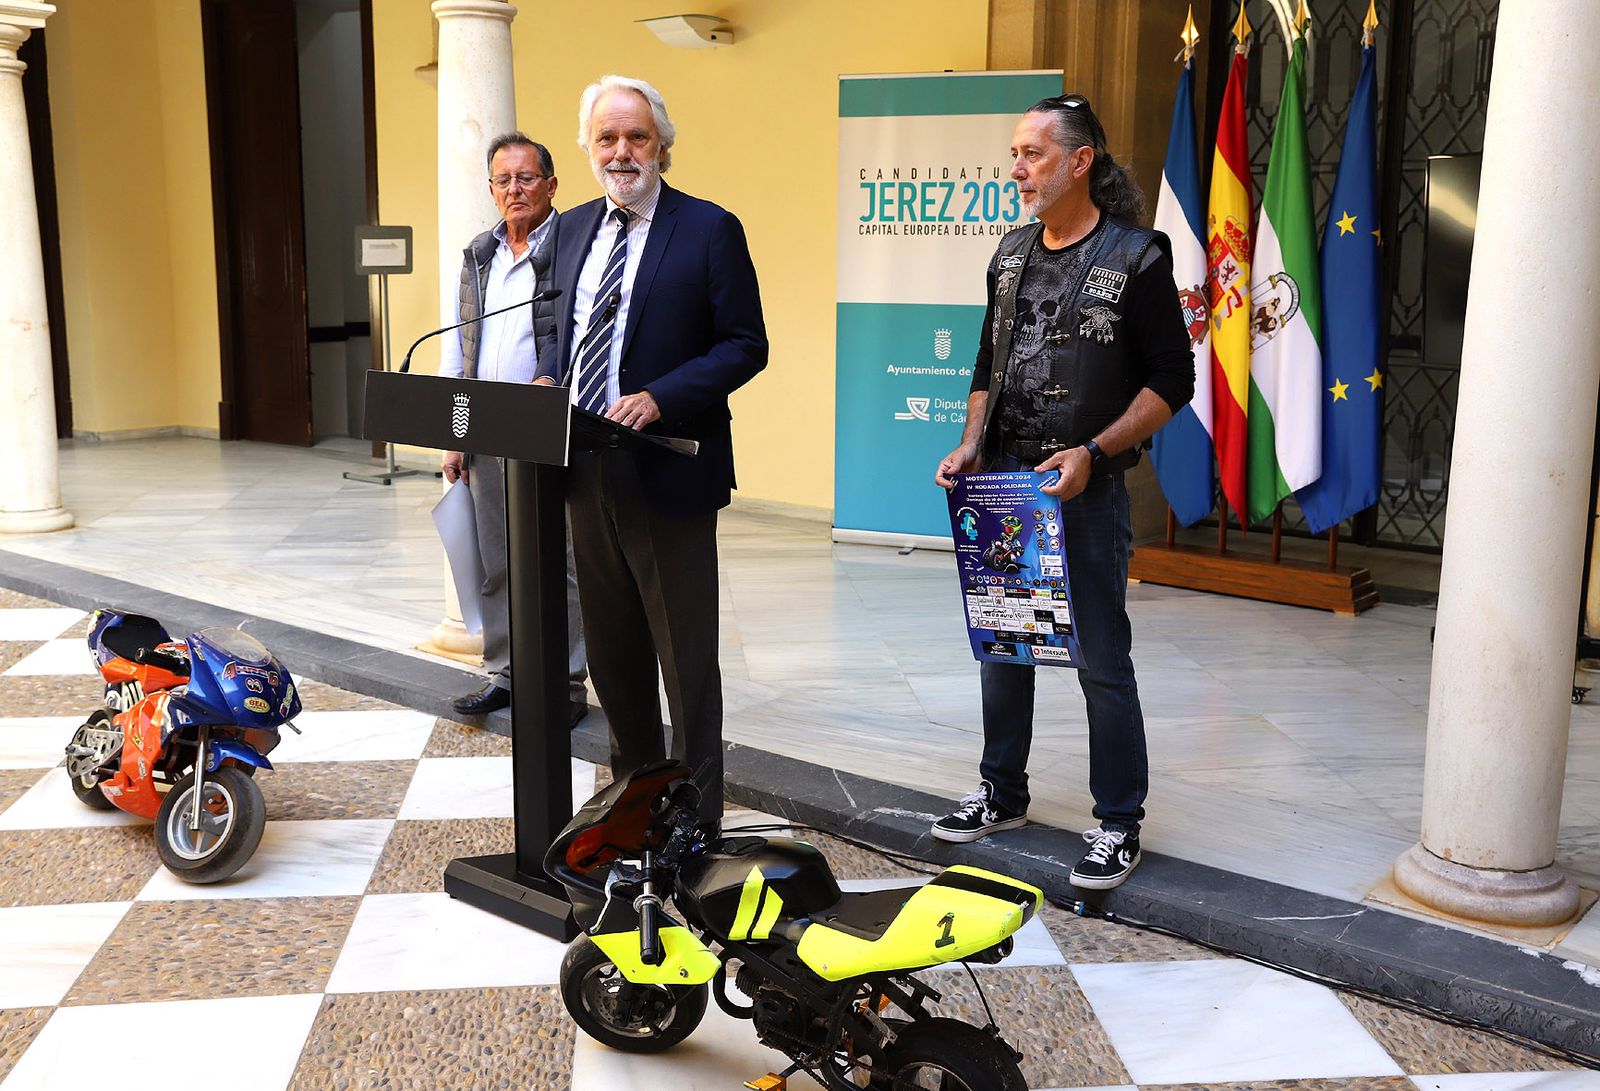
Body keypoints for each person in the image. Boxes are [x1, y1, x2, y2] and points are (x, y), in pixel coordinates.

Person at [931, 94, 1194, 890]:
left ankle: (1118, 821)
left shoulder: (1136, 257)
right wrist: (972, 443)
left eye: (1033, 155)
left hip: (1083, 489)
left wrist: (1093, 449)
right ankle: (1001, 792)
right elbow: (989, 364)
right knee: (1002, 647)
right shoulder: (1009, 253)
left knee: (1100, 659)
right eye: (1015, 154)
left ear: (1081, 162)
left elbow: (1171, 380)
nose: (1017, 169)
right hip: (1005, 486)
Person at [534, 75, 767, 821]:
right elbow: (557, 328)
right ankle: (635, 799)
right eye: (608, 137)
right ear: (588, 148)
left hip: (669, 468)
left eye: (637, 137)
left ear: (662, 145)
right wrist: (546, 374)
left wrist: (662, 395)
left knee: (685, 661)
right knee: (613, 655)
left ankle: (698, 816)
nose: (622, 151)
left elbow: (745, 345)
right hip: (583, 466)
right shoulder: (569, 229)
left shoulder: (708, 228)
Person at [440, 132, 590, 727]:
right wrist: (456, 430)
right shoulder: (480, 254)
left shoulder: (576, 246)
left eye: (527, 178)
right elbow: (460, 345)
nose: (515, 190)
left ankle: (567, 684)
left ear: (551, 185)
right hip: (487, 427)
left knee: (565, 561)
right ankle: (504, 673)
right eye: (503, 180)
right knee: (497, 559)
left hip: (552, 425)